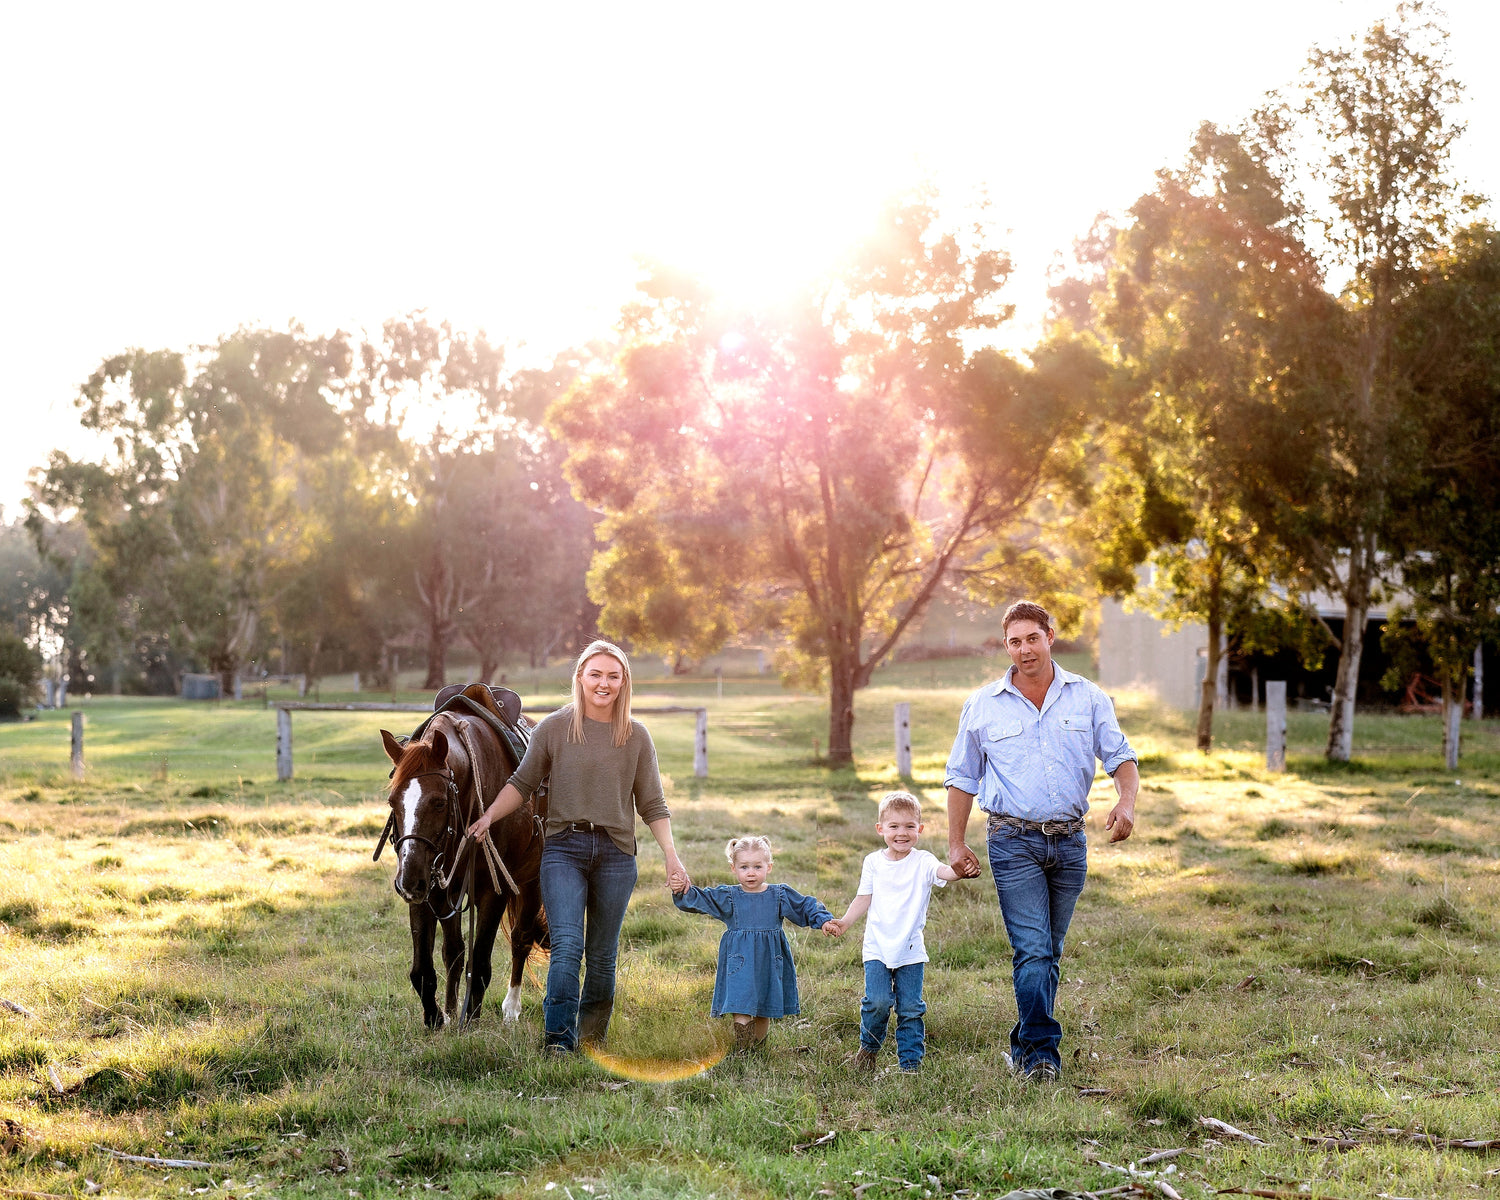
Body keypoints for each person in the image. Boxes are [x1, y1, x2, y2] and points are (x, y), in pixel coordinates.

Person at [945, 601, 1139, 1082]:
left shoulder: (1087, 697)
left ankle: (1024, 1042)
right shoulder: (983, 704)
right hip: (1012, 841)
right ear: (1005, 646)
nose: (1024, 648)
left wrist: (1127, 802)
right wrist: (955, 844)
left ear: (1050, 636)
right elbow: (961, 778)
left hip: (1070, 842)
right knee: (1032, 950)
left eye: (1033, 637)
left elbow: (1120, 756)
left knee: (1048, 951)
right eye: (1014, 641)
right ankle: (1042, 1056)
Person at [469, 639, 690, 1052]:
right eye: (596, 674)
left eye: (613, 676)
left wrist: (671, 856)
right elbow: (521, 783)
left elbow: (653, 803)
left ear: (624, 682)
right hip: (563, 850)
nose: (604, 683)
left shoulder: (636, 736)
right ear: (581, 678)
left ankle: (592, 1036)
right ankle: (558, 1039)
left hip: (616, 854)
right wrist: (488, 817)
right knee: (567, 945)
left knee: (603, 953)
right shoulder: (555, 727)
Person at [825, 790, 975, 1074]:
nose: (901, 833)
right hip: (877, 948)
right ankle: (868, 1049)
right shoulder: (873, 862)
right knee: (878, 1003)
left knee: (910, 1009)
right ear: (880, 829)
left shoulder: (923, 861)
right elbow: (863, 897)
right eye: (893, 826)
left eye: (909, 826)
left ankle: (910, 1066)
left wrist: (961, 869)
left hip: (910, 950)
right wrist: (845, 921)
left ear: (920, 829)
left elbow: (945, 872)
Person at [671, 835, 838, 1053]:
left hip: (769, 959)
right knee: (740, 1001)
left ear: (769, 867)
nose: (751, 872)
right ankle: (742, 1049)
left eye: (757, 866)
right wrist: (680, 888)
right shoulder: (729, 896)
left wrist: (823, 920)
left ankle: (757, 1051)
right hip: (739, 961)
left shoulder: (779, 894)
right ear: (733, 868)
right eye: (744, 867)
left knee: (764, 1004)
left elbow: (805, 906)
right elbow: (701, 899)